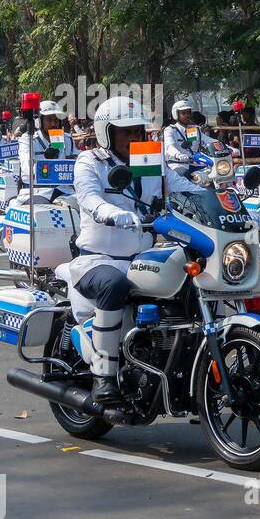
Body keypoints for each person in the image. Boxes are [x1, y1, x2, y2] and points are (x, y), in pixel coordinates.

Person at [62, 95, 200, 402]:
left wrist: (220, 197)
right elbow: (89, 197)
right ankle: (103, 376)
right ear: (106, 133)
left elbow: (180, 186)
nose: (133, 137)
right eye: (125, 132)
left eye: (137, 130)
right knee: (115, 284)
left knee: (192, 280)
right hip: (98, 261)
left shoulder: (150, 159)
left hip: (142, 259)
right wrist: (113, 213)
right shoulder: (90, 162)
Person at [18, 99, 77, 199]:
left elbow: (77, 159)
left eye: (56, 120)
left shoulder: (67, 139)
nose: (54, 124)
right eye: (49, 120)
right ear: (40, 122)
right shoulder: (28, 140)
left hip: (63, 191)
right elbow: (26, 167)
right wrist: (51, 170)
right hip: (36, 191)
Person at [162, 99, 198, 177]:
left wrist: (225, 146)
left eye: (188, 112)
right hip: (177, 165)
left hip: (194, 164)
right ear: (176, 114)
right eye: (183, 113)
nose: (187, 115)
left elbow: (207, 140)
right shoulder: (170, 130)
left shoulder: (192, 129)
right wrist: (179, 155)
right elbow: (169, 146)